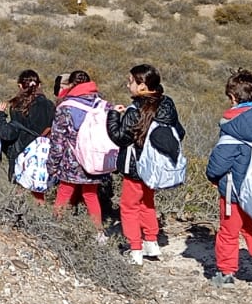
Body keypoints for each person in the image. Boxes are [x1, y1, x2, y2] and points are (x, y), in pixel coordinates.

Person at [205, 68, 252, 287]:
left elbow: (220, 160)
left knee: (228, 232)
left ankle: (226, 274)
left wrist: (212, 176)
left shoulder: (231, 126)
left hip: (233, 189)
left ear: (232, 97)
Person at [110, 63, 184, 265]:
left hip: (135, 166)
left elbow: (119, 138)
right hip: (155, 167)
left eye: (130, 81)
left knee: (128, 206)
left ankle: (135, 249)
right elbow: (180, 132)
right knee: (147, 203)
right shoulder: (167, 105)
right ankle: (151, 242)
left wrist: (114, 116)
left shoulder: (135, 110)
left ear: (142, 86)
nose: (128, 85)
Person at [46, 70, 113, 227]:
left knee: (64, 192)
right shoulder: (103, 105)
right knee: (90, 194)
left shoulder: (66, 107)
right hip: (95, 158)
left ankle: (55, 227)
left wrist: (52, 165)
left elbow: (58, 140)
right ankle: (98, 232)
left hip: (72, 159)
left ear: (70, 85)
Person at [0, 70, 55, 198]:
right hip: (42, 154)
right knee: (39, 192)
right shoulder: (49, 105)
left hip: (21, 154)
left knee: (19, 192)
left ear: (20, 86)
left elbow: (9, 134)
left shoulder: (17, 106)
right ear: (39, 85)